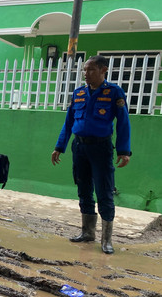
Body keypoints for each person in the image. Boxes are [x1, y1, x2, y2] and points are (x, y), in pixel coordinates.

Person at [51, 55, 131, 255]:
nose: (86, 74)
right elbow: (68, 122)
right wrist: (59, 146)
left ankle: (106, 240)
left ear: (104, 70)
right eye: (85, 70)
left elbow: (123, 123)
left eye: (91, 70)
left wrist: (123, 151)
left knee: (104, 192)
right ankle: (87, 232)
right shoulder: (78, 93)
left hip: (101, 149)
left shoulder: (114, 92)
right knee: (83, 188)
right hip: (79, 148)